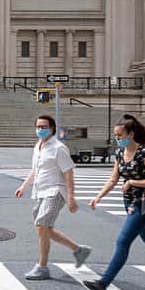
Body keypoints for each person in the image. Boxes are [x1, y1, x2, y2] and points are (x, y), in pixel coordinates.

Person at [82, 114, 145, 290]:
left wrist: (133, 182)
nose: (117, 139)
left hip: (143, 204)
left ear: (131, 134)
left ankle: (103, 283)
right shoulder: (119, 154)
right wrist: (98, 197)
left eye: (120, 135)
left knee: (123, 241)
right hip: (129, 204)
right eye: (116, 135)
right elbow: (113, 179)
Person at [15, 114, 91, 280]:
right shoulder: (38, 146)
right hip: (40, 191)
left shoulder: (58, 148)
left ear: (52, 129)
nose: (41, 130)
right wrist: (23, 187)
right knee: (44, 229)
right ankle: (79, 250)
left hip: (55, 192)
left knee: (42, 226)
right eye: (38, 127)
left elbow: (69, 172)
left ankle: (42, 267)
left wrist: (71, 198)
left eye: (44, 127)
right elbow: (35, 170)